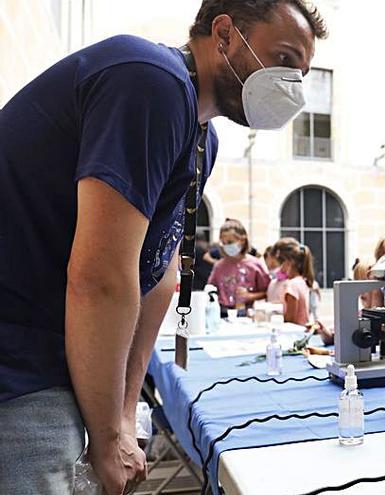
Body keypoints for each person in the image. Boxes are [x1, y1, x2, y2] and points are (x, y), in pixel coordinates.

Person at [0, 0, 325, 492]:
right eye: (283, 59)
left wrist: (125, 417)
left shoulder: (201, 137)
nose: (292, 86)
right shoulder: (149, 81)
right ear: (225, 34)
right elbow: (101, 278)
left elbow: (159, 274)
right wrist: (108, 438)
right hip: (19, 363)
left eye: (301, 73)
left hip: (56, 357)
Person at [208, 219, 271, 315]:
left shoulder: (255, 265)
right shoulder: (219, 266)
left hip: (248, 313)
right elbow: (210, 289)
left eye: (229, 242)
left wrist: (250, 296)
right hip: (223, 312)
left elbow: (267, 292)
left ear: (242, 240)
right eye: (223, 243)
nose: (226, 246)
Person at [267, 237, 318, 325]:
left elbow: (290, 320)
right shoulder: (301, 281)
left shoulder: (291, 285)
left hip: (294, 334)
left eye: (281, 262)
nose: (279, 268)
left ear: (290, 262)